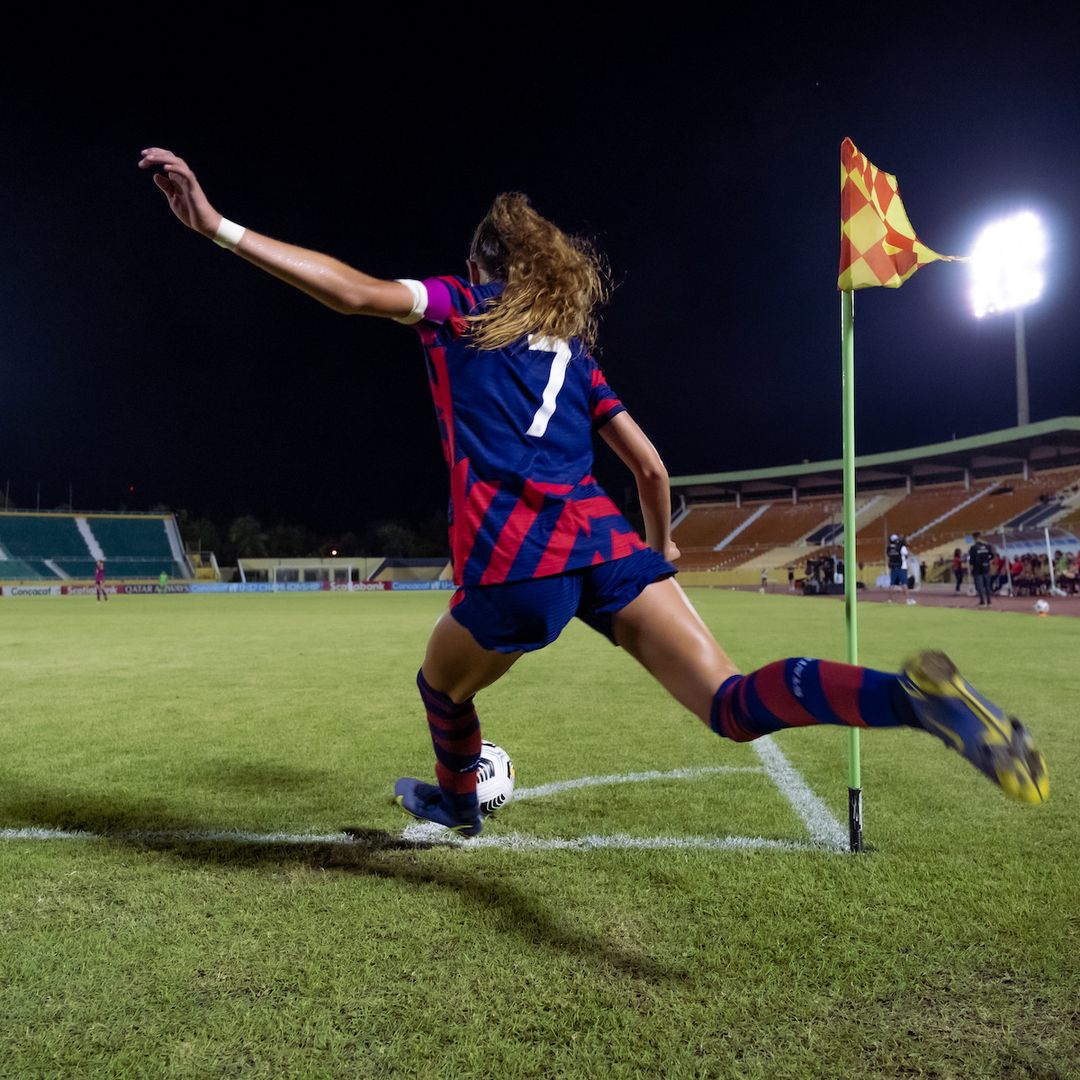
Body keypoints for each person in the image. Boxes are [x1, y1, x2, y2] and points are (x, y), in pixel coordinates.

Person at [139, 147, 1048, 828]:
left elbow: (354, 293)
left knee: (442, 688)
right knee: (730, 703)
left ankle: (458, 803)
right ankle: (910, 700)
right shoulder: (575, 355)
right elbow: (650, 468)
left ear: (483, 262)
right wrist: (658, 553)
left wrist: (218, 227)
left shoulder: (462, 309)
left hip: (515, 565)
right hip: (606, 547)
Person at [969, 532, 995, 608]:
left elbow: (971, 560)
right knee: (987, 585)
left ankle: (982, 602)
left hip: (977, 569)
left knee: (979, 586)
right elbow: (992, 556)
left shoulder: (973, 548)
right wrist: (987, 561)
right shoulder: (987, 546)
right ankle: (989, 602)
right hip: (986, 568)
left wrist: (972, 568)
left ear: (974, 538)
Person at [886, 533, 913, 604]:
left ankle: (889, 599)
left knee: (892, 584)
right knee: (904, 583)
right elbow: (907, 554)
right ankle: (908, 599)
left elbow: (889, 555)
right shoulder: (901, 547)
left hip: (893, 567)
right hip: (902, 567)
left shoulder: (889, 548)